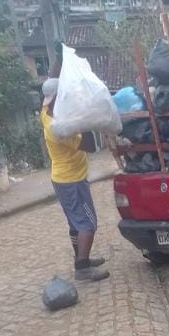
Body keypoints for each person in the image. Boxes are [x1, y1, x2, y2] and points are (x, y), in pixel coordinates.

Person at [41, 78, 110, 282]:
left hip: (62, 178)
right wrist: (85, 115)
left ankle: (82, 259)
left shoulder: (45, 113)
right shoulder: (59, 129)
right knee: (88, 223)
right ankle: (82, 267)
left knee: (75, 222)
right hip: (72, 180)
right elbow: (89, 146)